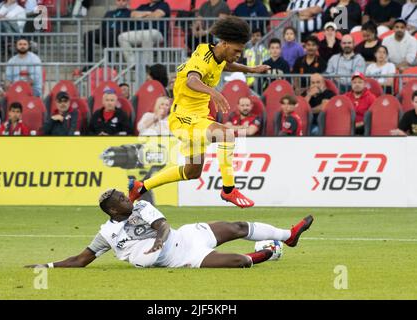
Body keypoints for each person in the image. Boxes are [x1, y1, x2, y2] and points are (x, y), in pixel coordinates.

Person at [128, 17, 271, 208]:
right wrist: (214, 93)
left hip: (198, 118)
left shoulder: (217, 55)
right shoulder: (202, 59)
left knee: (192, 172)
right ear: (224, 43)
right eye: (236, 51)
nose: (238, 55)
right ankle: (229, 190)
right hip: (184, 118)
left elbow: (225, 65)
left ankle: (141, 186)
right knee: (226, 134)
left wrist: (251, 69)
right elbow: (192, 80)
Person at [25, 189, 314, 269]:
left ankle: (288, 237)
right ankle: (267, 252)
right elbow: (81, 259)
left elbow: (163, 226)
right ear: (113, 210)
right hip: (182, 258)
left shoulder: (141, 208)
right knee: (239, 261)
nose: (129, 199)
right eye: (123, 199)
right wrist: (48, 265)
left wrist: (159, 242)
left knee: (238, 226)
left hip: (184, 237)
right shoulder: (107, 234)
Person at [118, 0, 170, 66]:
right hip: (139, 31)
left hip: (157, 32)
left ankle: (147, 65)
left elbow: (155, 16)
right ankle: (132, 64)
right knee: (122, 37)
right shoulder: (143, 6)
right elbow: (132, 15)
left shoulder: (164, 5)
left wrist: (140, 16)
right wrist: (147, 13)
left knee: (147, 35)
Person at [83, 0, 132, 68]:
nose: (120, 3)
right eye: (118, 0)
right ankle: (89, 65)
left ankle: (110, 65)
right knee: (88, 35)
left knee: (110, 33)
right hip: (106, 32)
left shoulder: (130, 13)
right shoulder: (109, 13)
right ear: (116, 2)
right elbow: (103, 26)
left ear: (127, 2)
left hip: (120, 34)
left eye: (123, 1)